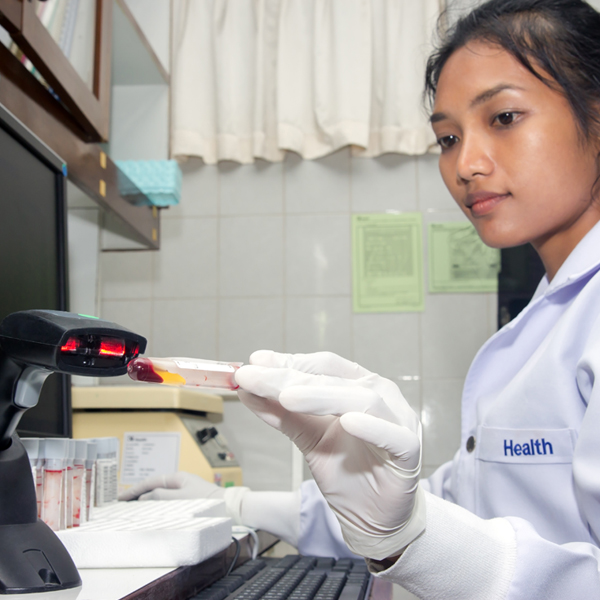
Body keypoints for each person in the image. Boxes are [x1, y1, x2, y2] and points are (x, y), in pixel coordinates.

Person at [121, 0, 600, 597]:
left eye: (503, 117)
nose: (466, 165)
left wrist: (409, 539)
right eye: (448, 138)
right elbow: (457, 509)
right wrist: (237, 502)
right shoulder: (548, 316)